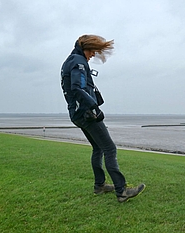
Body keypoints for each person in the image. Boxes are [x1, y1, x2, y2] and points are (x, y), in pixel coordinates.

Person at [60, 34, 145, 203]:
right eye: (93, 51)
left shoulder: (70, 60)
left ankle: (99, 185)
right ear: (87, 48)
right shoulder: (78, 62)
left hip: (76, 114)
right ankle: (122, 191)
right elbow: (78, 88)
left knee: (98, 149)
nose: (93, 55)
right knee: (110, 149)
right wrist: (94, 107)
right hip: (86, 114)